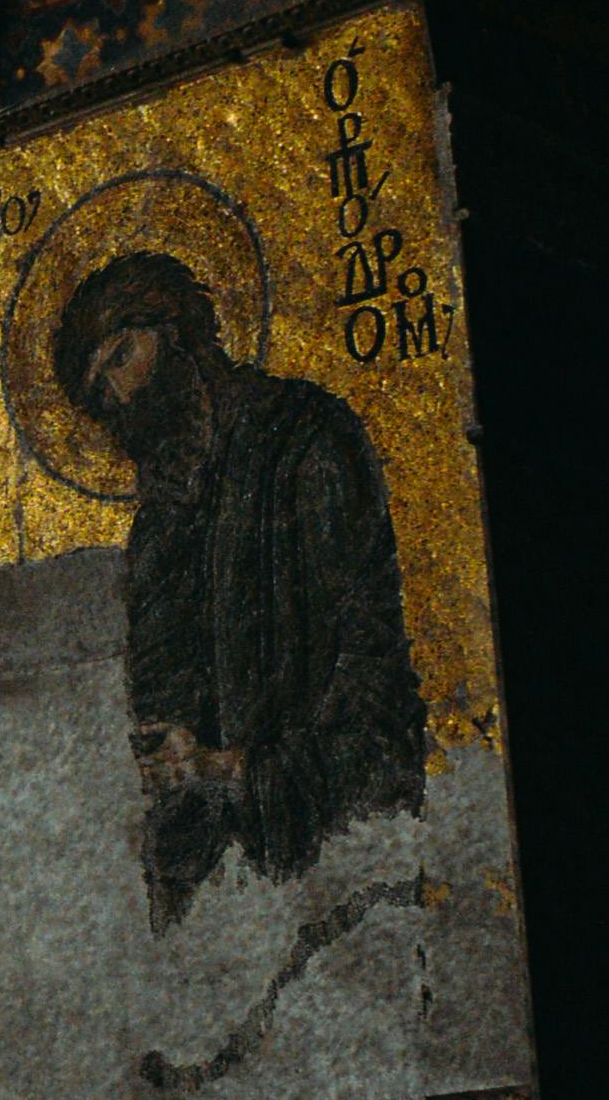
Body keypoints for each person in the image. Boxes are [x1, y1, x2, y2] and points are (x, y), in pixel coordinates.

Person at [55, 250, 427, 929]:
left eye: (119, 357)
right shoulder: (160, 526)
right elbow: (163, 717)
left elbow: (373, 694)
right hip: (223, 900)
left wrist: (231, 770)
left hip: (346, 863)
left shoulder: (304, 441)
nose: (118, 398)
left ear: (175, 330)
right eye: (97, 391)